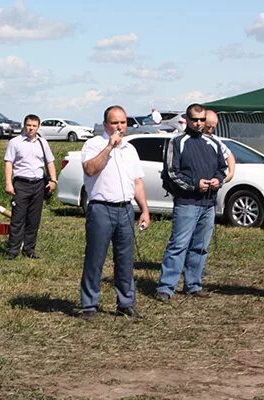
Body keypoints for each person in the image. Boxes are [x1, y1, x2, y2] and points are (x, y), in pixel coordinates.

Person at [79, 105, 150, 320]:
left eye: (123, 122)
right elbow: (90, 169)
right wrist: (110, 147)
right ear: (105, 125)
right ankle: (89, 304)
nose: (119, 127)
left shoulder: (130, 149)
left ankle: (125, 302)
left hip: (125, 209)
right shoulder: (94, 144)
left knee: (126, 259)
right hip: (101, 208)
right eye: (114, 123)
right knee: (95, 258)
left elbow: (137, 182)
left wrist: (144, 210)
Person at [155, 104, 226, 302]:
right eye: (195, 119)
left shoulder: (213, 143)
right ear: (186, 119)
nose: (198, 123)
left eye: (202, 120)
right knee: (178, 245)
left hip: (208, 204)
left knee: (200, 246)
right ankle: (166, 287)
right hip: (187, 203)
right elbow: (171, 172)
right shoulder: (177, 142)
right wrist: (195, 184)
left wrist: (218, 180)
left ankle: (193, 285)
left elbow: (223, 167)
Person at [3, 114, 57, 260]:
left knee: (34, 219)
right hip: (21, 184)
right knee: (17, 219)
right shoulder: (15, 142)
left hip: (38, 184)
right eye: (28, 125)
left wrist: (53, 180)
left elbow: (50, 162)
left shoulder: (43, 143)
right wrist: (8, 183)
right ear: (24, 125)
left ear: (38, 127)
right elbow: (9, 163)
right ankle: (13, 251)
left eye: (34, 126)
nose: (31, 128)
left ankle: (29, 249)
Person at [204, 110, 236, 182]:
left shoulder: (215, 140)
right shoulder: (190, 139)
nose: (210, 130)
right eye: (208, 127)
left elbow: (228, 155)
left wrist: (230, 174)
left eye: (213, 128)